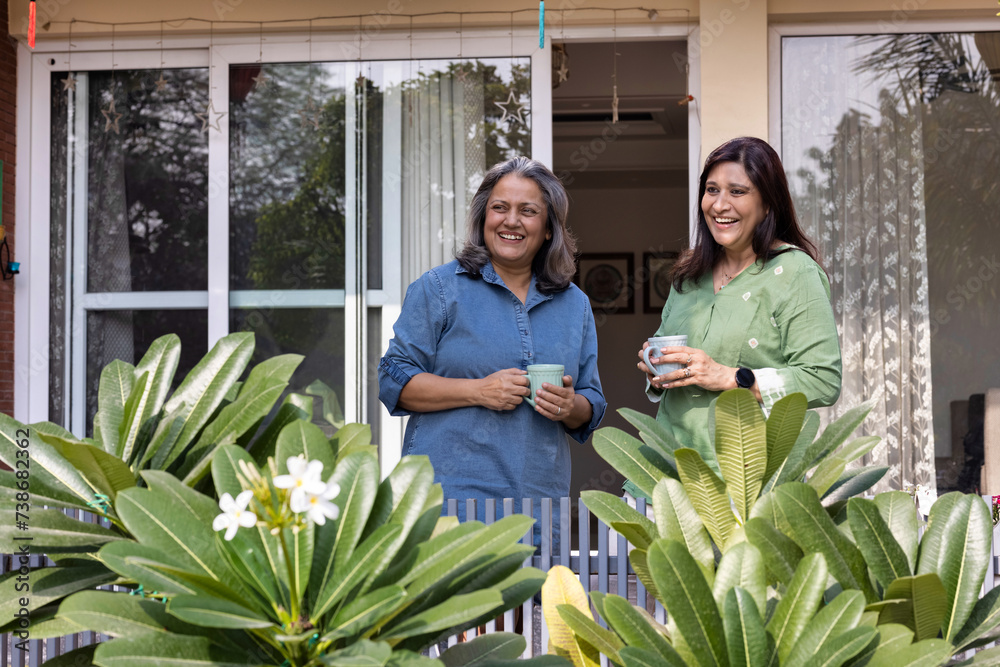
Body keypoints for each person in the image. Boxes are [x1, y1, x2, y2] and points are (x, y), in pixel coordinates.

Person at [378, 156, 607, 543]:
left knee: (535, 587)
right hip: (450, 506)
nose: (511, 221)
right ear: (484, 218)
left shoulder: (574, 304)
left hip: (538, 505)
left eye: (528, 211)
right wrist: (478, 390)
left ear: (548, 229)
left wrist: (570, 406)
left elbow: (592, 401)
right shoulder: (439, 289)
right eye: (500, 207)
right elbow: (393, 381)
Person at [629, 136, 842, 500]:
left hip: (745, 488)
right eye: (712, 190)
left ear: (767, 203)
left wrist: (729, 377)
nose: (719, 204)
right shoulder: (689, 275)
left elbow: (822, 379)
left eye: (737, 191)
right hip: (662, 479)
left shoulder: (795, 272)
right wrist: (657, 370)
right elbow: (670, 354)